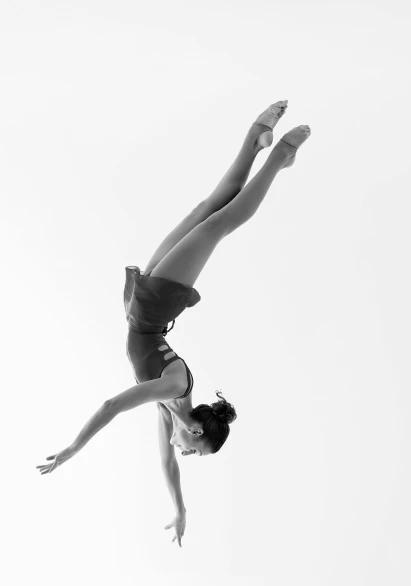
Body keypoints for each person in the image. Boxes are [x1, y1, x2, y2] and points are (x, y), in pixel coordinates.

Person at [37, 100, 311, 546]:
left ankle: (258, 135)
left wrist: (180, 509)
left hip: (145, 307)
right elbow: (111, 405)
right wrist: (73, 448)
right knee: (222, 221)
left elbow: (167, 465)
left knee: (210, 206)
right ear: (198, 431)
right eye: (194, 449)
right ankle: (280, 154)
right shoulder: (174, 391)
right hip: (152, 309)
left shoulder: (171, 411)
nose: (186, 452)